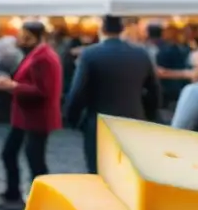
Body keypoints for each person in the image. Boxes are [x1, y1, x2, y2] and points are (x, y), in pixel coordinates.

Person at [65, 15, 160, 173]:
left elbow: (77, 92)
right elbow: (155, 91)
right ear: (122, 29)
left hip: (99, 124)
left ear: (101, 30)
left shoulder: (90, 55)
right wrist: (148, 116)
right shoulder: (141, 54)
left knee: (99, 174)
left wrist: (73, 119)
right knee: (130, 173)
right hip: (133, 122)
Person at [0, 21, 63, 203]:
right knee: (12, 153)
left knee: (35, 159)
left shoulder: (44, 57)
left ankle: (41, 198)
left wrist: (12, 85)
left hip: (36, 116)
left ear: (38, 37)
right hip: (26, 116)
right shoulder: (37, 54)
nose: (21, 40)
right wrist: (12, 86)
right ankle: (14, 192)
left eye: (26, 37)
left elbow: (43, 91)